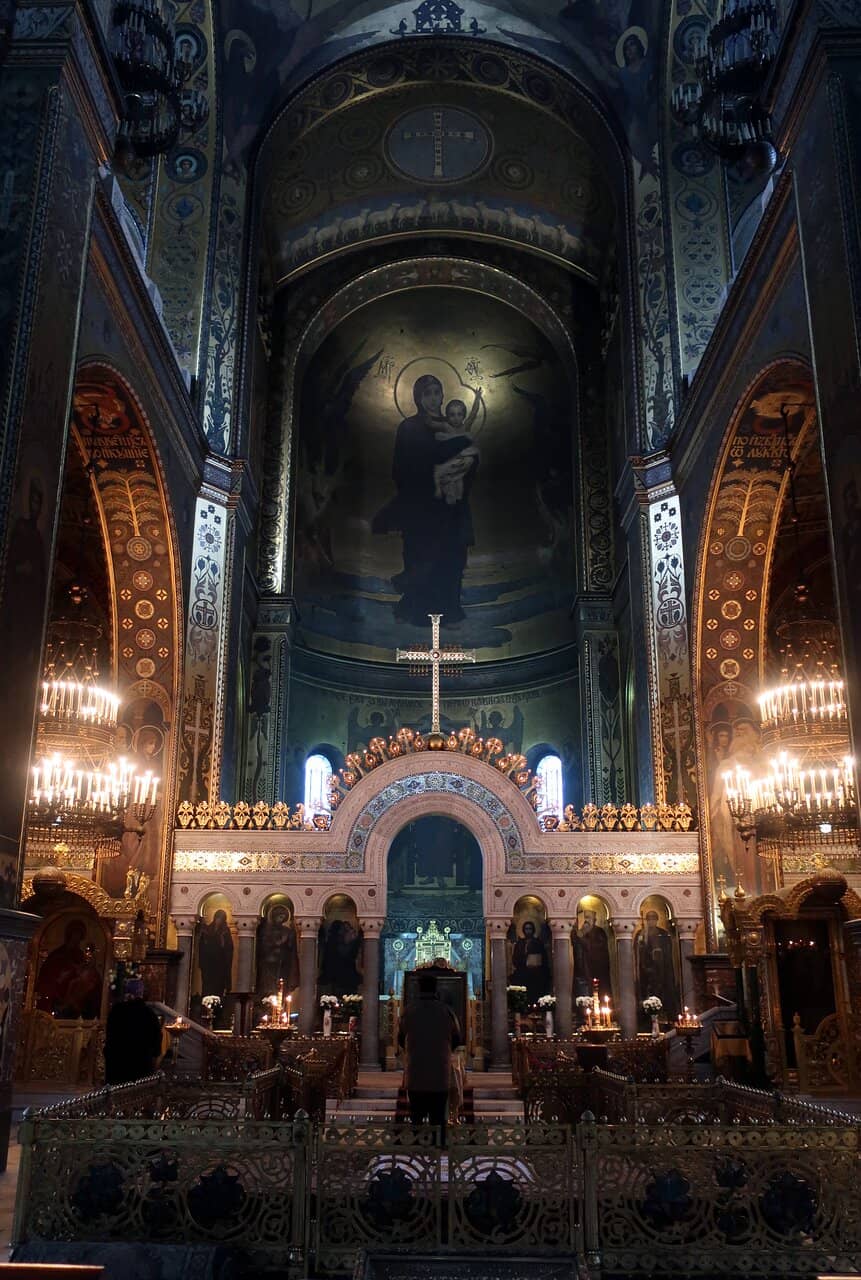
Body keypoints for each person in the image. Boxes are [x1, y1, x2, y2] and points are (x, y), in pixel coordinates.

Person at [373, 374, 479, 626]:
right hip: (421, 507)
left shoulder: (453, 424)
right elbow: (399, 469)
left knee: (451, 558)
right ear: (418, 398)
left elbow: (471, 457)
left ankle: (449, 609)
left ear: (443, 395)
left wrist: (463, 467)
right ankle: (417, 610)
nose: (433, 399)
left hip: (451, 507)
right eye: (427, 394)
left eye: (437, 392)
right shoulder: (408, 427)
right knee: (421, 556)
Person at [398, 972, 462, 1143]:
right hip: (439, 1073)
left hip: (416, 1071)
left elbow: (400, 1038)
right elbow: (457, 1039)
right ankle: (438, 1154)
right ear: (436, 989)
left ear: (419, 988)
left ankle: (417, 1157)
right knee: (438, 1119)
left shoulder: (409, 1011)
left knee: (416, 1119)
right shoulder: (446, 1011)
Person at [433, 390, 482, 504]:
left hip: (462, 462)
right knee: (451, 487)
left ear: (463, 416)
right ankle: (448, 489)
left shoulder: (465, 427)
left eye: (459, 414)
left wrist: (477, 398)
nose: (456, 418)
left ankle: (454, 489)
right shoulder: (447, 427)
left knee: (459, 486)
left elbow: (473, 413)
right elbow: (433, 425)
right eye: (452, 415)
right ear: (448, 416)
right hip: (451, 460)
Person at [103, 997, 164, 1084]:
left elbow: (109, 1034)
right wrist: (155, 1054)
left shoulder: (117, 1010)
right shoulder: (149, 1013)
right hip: (141, 1064)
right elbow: (157, 1038)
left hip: (117, 1063)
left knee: (116, 1093)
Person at [635, 910, 679, 1023]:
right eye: (648, 919)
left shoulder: (663, 934)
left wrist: (659, 953)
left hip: (662, 970)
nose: (651, 921)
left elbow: (667, 950)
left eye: (653, 918)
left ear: (657, 920)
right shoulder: (641, 934)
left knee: (663, 991)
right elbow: (638, 951)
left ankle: (667, 1017)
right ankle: (646, 1020)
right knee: (648, 992)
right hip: (646, 970)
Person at [572, 909, 613, 1002]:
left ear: (594, 919)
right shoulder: (579, 932)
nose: (586, 920)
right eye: (584, 918)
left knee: (601, 993)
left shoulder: (599, 932)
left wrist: (582, 938)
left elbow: (598, 947)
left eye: (588, 917)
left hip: (598, 969)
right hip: (583, 970)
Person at [509, 920, 551, 1006]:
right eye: (526, 929)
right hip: (523, 972)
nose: (528, 931)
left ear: (533, 930)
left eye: (530, 929)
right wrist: (524, 958)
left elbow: (543, 958)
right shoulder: (520, 943)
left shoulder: (538, 942)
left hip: (535, 974)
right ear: (524, 930)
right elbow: (515, 958)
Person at [198, 909, 234, 1001]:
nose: (218, 920)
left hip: (220, 965)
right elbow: (202, 945)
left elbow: (229, 948)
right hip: (208, 964)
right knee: (207, 988)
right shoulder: (208, 929)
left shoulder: (225, 931)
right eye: (218, 918)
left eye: (221, 918)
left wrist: (222, 942)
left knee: (218, 988)